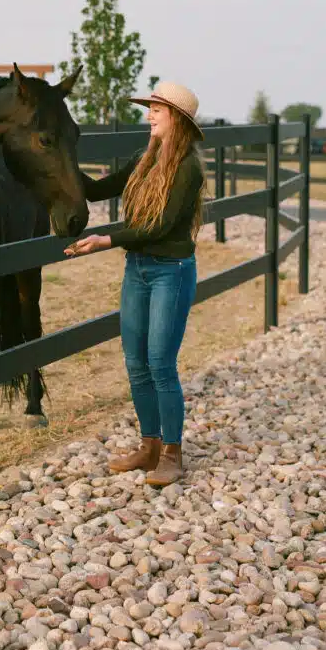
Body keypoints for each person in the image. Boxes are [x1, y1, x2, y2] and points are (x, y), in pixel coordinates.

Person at [64, 81, 206, 488]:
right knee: (135, 363)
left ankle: (173, 454)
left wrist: (105, 240)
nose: (149, 114)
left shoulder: (188, 168)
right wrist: (59, 157)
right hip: (138, 270)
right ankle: (149, 446)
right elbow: (98, 189)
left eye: (156, 109)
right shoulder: (144, 160)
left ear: (175, 117)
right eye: (150, 108)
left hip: (170, 272)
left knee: (161, 363)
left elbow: (158, 227)